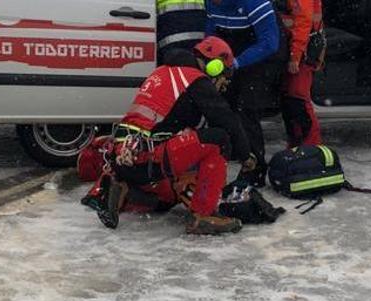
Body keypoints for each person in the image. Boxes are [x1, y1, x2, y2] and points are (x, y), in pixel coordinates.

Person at [80, 37, 256, 236]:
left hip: (123, 157)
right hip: (148, 157)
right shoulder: (195, 80)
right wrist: (245, 155)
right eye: (223, 75)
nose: (222, 84)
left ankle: (121, 188)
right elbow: (227, 121)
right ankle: (203, 216)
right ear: (214, 65)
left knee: (168, 197)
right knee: (219, 140)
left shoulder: (161, 71)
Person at [205, 0, 281, 187]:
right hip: (232, 54)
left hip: (261, 56)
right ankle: (228, 152)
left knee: (246, 109)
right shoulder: (210, 3)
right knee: (222, 107)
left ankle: (256, 171)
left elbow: (270, 43)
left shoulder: (253, 2)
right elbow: (211, 33)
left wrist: (236, 63)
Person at [278, 0, 323, 147]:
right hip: (293, 48)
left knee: (298, 99)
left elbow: (303, 24)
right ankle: (297, 145)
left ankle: (310, 147)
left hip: (301, 51)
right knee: (289, 101)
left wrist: (295, 57)